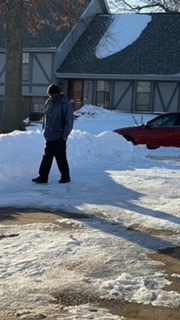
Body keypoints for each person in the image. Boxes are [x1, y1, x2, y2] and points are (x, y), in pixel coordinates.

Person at [32, 84, 74, 184]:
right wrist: (45, 131)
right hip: (49, 136)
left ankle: (65, 176)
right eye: (49, 95)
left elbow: (69, 121)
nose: (51, 97)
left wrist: (64, 136)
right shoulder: (48, 102)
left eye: (52, 95)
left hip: (59, 136)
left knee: (61, 158)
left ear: (57, 94)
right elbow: (46, 117)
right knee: (47, 157)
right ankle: (43, 176)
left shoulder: (65, 104)